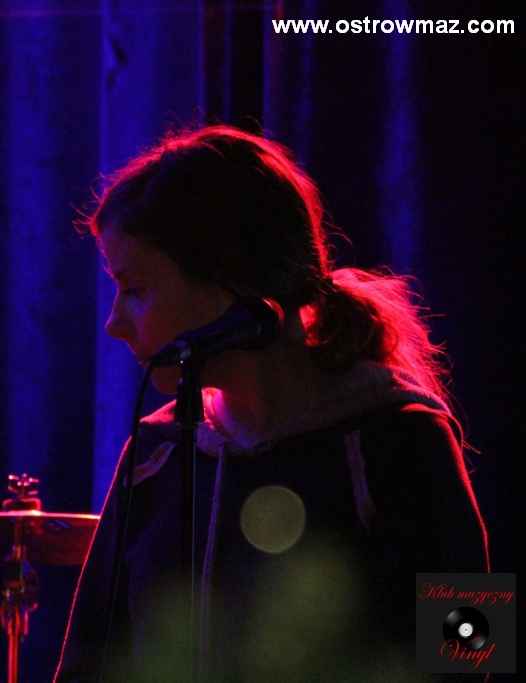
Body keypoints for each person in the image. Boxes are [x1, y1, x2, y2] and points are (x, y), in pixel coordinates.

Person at [54, 126, 489, 682]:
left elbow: (472, 647)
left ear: (229, 279)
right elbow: (87, 665)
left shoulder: (403, 436)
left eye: (135, 288)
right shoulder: (154, 455)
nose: (114, 323)